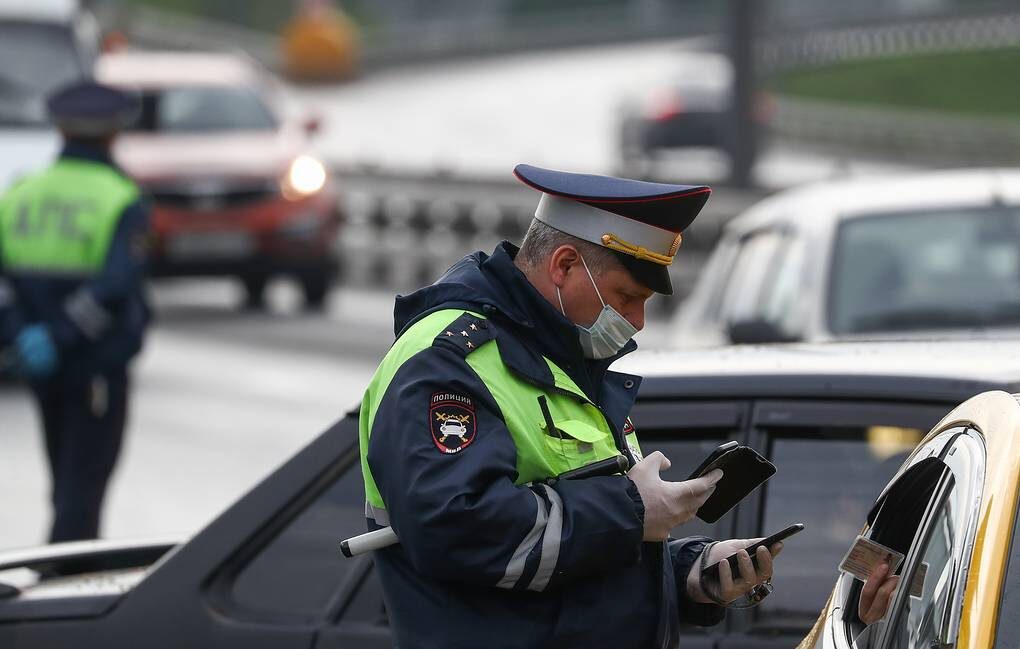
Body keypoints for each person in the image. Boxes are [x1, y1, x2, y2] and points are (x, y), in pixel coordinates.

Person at [358, 164, 783, 648]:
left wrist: (690, 573)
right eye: (627, 296)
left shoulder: (566, 361)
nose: (638, 320)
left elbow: (579, 558)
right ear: (563, 266)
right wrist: (632, 511)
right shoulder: (448, 360)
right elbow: (455, 531)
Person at [0, 81, 150, 543]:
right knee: (83, 486)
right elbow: (115, 286)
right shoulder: (120, 197)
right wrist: (63, 334)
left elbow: (5, 283)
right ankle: (65, 576)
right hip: (95, 366)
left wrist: (24, 333)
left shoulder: (21, 192)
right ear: (114, 133)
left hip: (39, 364)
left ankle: (61, 565)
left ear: (60, 130)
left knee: (63, 479)